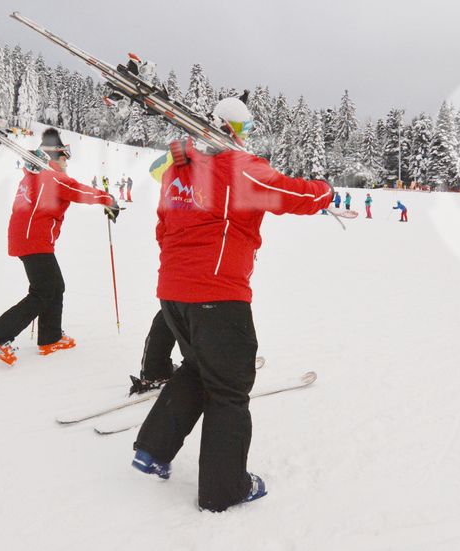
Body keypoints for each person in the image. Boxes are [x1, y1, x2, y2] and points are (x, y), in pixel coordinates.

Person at [132, 97, 333, 513]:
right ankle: (224, 489)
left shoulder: (176, 170)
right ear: (231, 129)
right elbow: (291, 193)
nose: (244, 137)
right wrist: (325, 191)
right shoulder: (238, 166)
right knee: (228, 389)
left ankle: (152, 449)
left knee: (197, 368)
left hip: (174, 292)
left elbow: (162, 225)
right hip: (217, 295)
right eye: (243, 129)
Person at [0, 128, 120, 365]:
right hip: (35, 240)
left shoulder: (32, 176)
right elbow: (78, 190)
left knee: (55, 287)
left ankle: (51, 338)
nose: (67, 164)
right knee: (42, 292)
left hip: (28, 238)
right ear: (54, 157)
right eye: (65, 158)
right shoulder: (52, 177)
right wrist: (108, 199)